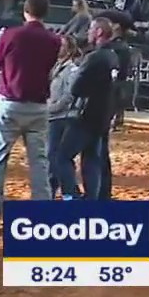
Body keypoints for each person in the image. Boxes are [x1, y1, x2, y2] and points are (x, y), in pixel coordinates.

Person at [0, 0, 62, 233]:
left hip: (10, 103)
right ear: (46, 13)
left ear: (25, 11)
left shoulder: (11, 34)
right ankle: (44, 220)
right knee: (39, 164)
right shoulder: (53, 40)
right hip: (39, 106)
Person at [51, 16, 119, 200]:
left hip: (85, 117)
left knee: (62, 157)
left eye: (91, 29)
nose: (88, 32)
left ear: (98, 32)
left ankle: (71, 195)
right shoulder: (113, 56)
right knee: (92, 161)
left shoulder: (94, 58)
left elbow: (76, 88)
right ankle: (92, 200)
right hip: (102, 117)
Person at [46, 35, 85, 199]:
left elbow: (69, 95)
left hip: (63, 117)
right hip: (56, 116)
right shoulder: (56, 67)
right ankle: (54, 191)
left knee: (55, 156)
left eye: (61, 46)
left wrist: (51, 108)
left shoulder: (71, 70)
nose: (58, 48)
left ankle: (70, 192)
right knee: (53, 157)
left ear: (68, 50)